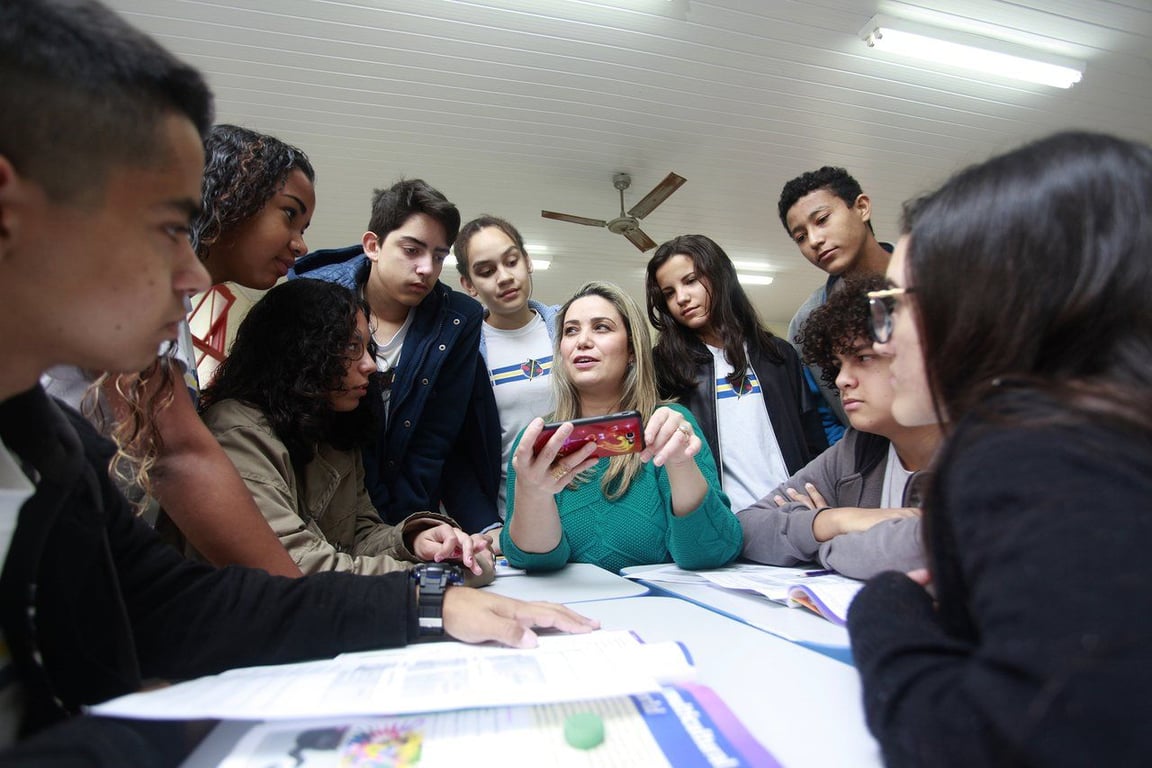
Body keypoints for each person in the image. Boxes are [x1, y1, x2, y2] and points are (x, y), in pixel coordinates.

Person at [0, 0, 596, 761]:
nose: (190, 274)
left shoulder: (54, 452)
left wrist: (420, 582)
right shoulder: (223, 424)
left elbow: (168, 603)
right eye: (164, 229)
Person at [847, 132, 1152, 766]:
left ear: (986, 304)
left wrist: (887, 610)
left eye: (897, 307)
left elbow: (997, 746)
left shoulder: (1025, 450)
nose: (883, 342)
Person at [42, 123, 320, 577]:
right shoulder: (138, 267)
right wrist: (301, 599)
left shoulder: (176, 310)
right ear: (232, 194)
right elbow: (176, 456)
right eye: (289, 214)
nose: (301, 243)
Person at [201, 279, 493, 579]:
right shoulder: (237, 432)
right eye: (353, 347)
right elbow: (296, 568)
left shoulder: (332, 430)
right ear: (301, 350)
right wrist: (436, 580)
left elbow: (359, 535)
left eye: (368, 348)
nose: (371, 365)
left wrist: (416, 541)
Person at [290, 180, 501, 533]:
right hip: (318, 512)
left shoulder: (457, 321)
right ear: (373, 246)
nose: (426, 269)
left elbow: (437, 438)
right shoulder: (311, 302)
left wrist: (405, 530)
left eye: (438, 256)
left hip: (412, 516)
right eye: (411, 250)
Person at [501, 281, 742, 573]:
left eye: (601, 327)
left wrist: (680, 464)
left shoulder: (670, 424)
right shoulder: (537, 442)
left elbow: (711, 552)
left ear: (631, 349)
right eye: (571, 330)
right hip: (569, 611)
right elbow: (533, 560)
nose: (582, 341)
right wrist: (534, 493)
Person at [737, 275, 938, 580]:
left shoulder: (988, 448)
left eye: (863, 357)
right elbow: (747, 528)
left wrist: (821, 546)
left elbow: (919, 550)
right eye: (839, 364)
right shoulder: (857, 449)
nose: (843, 379)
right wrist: (835, 520)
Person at [645, 234, 826, 514]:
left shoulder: (778, 355)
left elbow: (813, 437)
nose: (681, 298)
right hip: (725, 520)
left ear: (720, 276)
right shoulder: (664, 367)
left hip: (795, 511)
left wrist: (820, 493)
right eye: (669, 292)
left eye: (691, 280)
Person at [454, 215, 559, 527]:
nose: (503, 277)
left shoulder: (571, 329)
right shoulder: (464, 352)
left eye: (511, 261)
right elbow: (457, 455)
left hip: (587, 508)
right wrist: (487, 527)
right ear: (468, 285)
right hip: (512, 518)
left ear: (527, 262)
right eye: (486, 272)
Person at [777, 167, 893, 441]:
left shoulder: (940, 274)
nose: (814, 241)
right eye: (801, 237)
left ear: (862, 207)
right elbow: (824, 417)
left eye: (822, 220)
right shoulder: (806, 323)